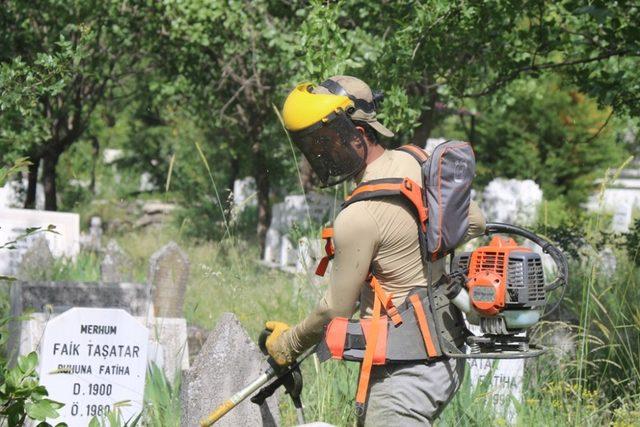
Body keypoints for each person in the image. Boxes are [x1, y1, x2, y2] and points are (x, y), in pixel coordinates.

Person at [265, 75, 486, 426]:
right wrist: (420, 251)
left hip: (407, 370)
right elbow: (474, 222)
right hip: (445, 355)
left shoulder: (358, 216)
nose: (321, 151)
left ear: (359, 132)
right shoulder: (417, 160)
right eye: (312, 143)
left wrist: (288, 345)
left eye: (328, 139)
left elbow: (336, 307)